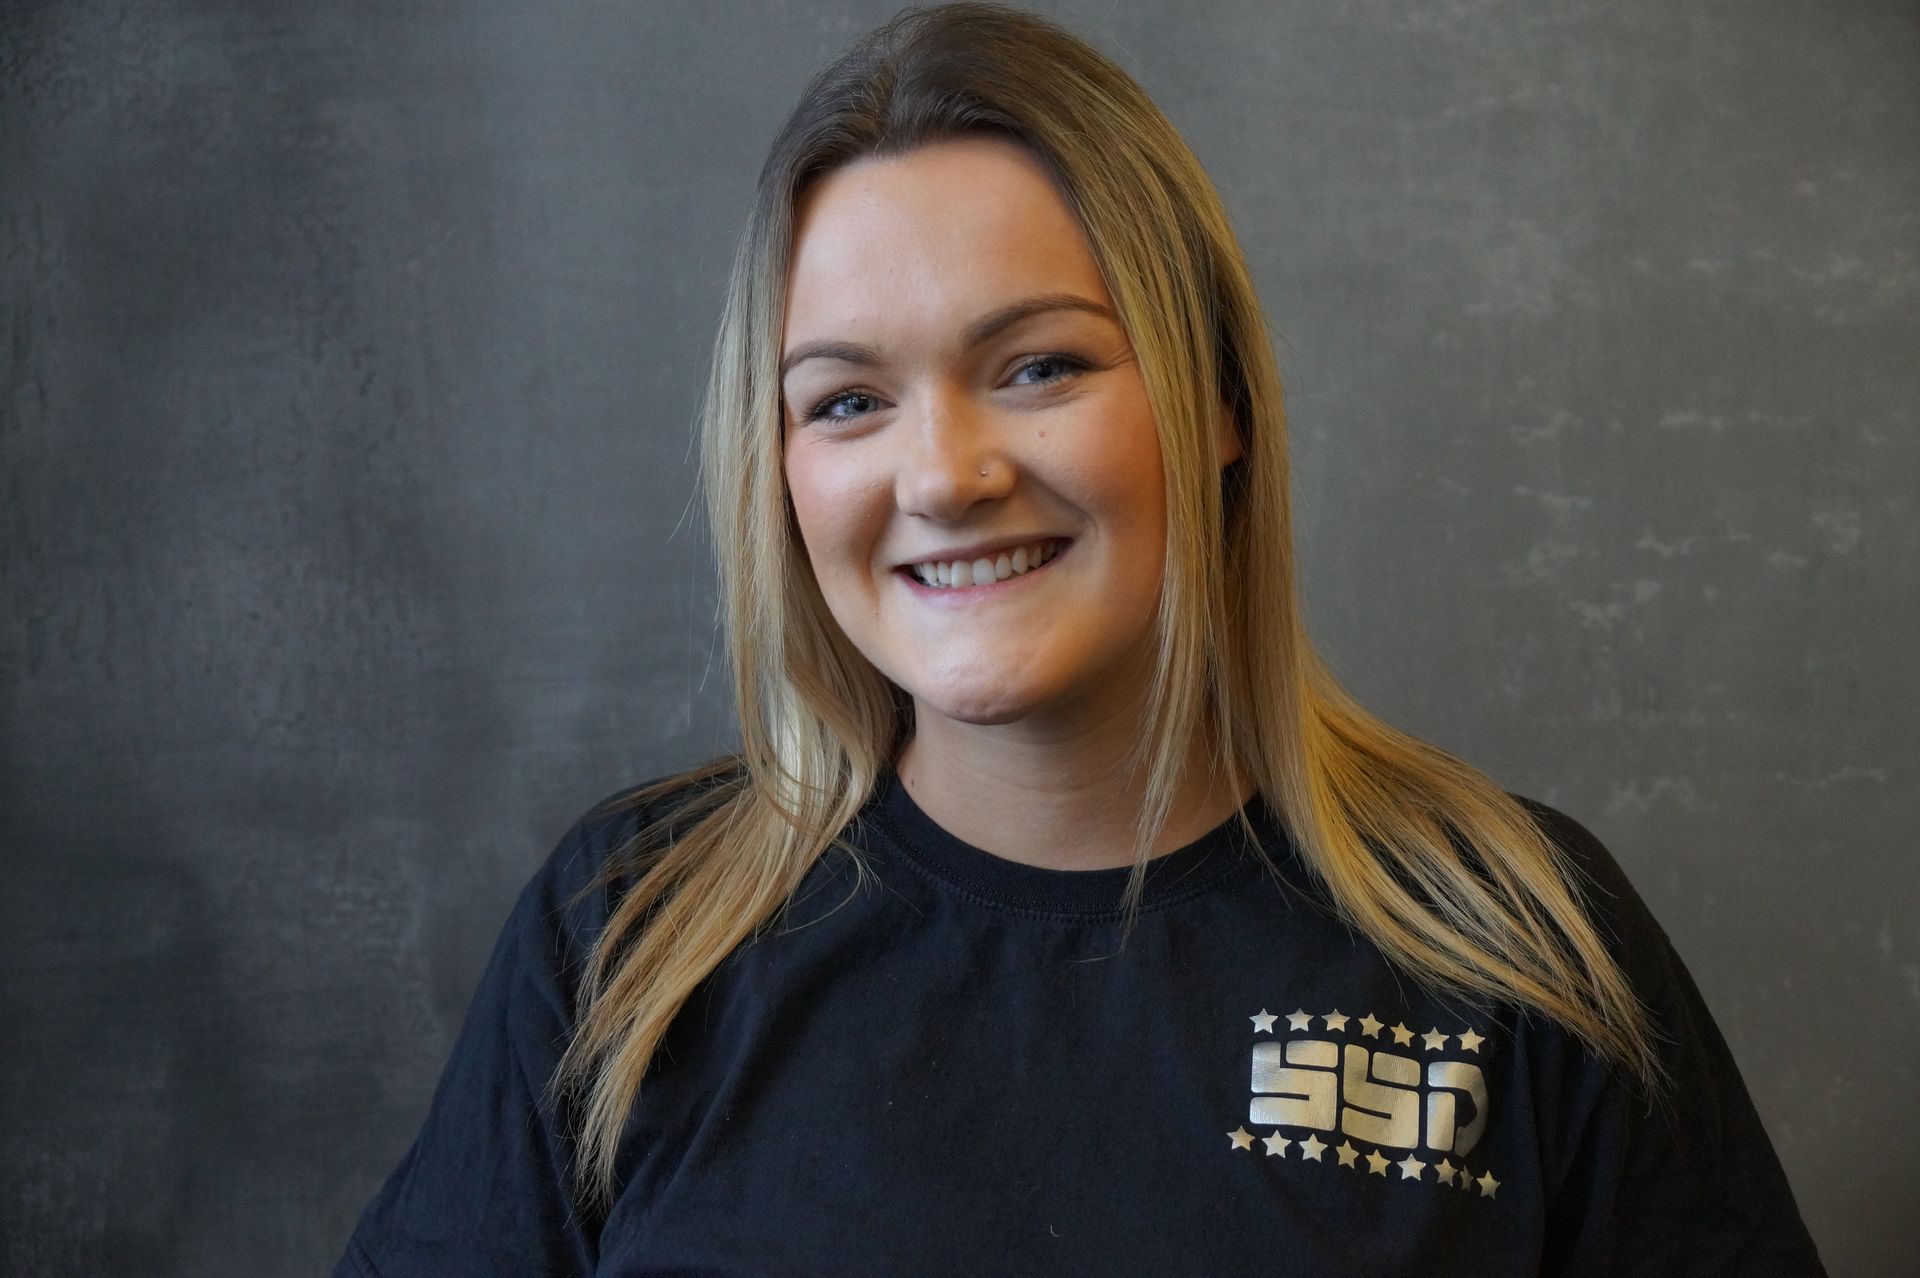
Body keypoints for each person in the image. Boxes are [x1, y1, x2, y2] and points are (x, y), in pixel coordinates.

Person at [333, 3, 1826, 1274]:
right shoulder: (624, 942)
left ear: (1217, 401)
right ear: (774, 468)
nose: (943, 475)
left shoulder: (1517, 943)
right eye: (848, 400)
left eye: (1038, 366)